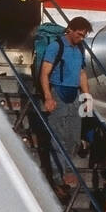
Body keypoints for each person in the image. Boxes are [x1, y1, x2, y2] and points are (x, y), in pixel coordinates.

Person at [38, 16, 92, 190]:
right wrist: (48, 97)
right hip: (58, 92)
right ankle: (57, 178)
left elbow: (82, 73)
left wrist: (87, 96)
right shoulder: (56, 46)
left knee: (74, 138)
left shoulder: (79, 48)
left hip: (74, 94)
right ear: (70, 29)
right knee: (58, 138)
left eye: (83, 36)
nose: (81, 38)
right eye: (79, 34)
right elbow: (44, 73)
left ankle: (64, 170)